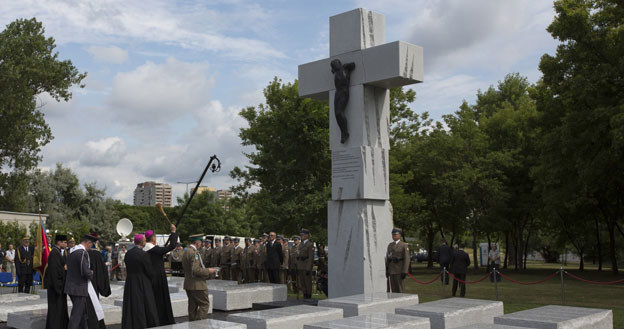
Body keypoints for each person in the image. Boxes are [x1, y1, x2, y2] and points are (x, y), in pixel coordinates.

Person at [121, 234, 159, 329]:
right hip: (142, 282)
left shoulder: (128, 253)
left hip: (130, 282)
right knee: (144, 305)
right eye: (145, 240)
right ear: (142, 242)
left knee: (131, 305)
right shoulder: (143, 254)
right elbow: (149, 270)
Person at [145, 225, 178, 326]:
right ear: (153, 238)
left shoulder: (144, 250)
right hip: (158, 279)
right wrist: (173, 232)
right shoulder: (155, 250)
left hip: (149, 278)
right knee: (160, 301)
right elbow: (172, 246)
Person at [65, 234, 99, 329]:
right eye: (91, 244)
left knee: (83, 313)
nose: (91, 247)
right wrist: (91, 273)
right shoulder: (82, 253)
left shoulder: (72, 251)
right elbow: (85, 271)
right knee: (77, 315)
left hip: (72, 286)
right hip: (79, 287)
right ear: (87, 243)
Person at [183, 234, 215, 321]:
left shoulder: (186, 251)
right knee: (204, 304)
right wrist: (209, 271)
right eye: (201, 242)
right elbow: (196, 270)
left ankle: (192, 325)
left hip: (189, 284)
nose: (202, 244)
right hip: (197, 284)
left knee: (192, 306)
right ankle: (198, 325)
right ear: (197, 242)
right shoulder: (194, 253)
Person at [87, 234, 111, 329]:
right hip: (93, 284)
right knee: (93, 307)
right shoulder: (96, 254)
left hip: (82, 285)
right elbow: (101, 272)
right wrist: (104, 287)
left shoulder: (80, 253)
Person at [45, 234, 69, 329]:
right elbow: (55, 272)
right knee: (56, 310)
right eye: (64, 242)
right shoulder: (54, 253)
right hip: (56, 288)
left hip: (58, 286)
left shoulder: (57, 252)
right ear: (59, 242)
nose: (66, 244)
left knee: (59, 310)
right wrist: (65, 269)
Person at [331, 58, 356, 143]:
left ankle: (345, 133)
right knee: (336, 114)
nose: (334, 66)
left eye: (335, 64)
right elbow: (332, 71)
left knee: (339, 112)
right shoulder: (336, 72)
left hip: (344, 92)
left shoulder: (345, 69)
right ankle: (343, 132)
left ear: (339, 64)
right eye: (333, 65)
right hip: (337, 93)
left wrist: (347, 65)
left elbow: (353, 64)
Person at [385, 228, 410, 293]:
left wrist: (404, 271)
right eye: (393, 234)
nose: (394, 236)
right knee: (393, 290)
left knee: (400, 289)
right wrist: (387, 270)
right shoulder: (390, 245)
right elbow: (388, 258)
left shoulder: (403, 245)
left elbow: (407, 259)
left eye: (396, 234)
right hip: (391, 270)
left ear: (400, 235)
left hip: (399, 270)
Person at [297, 229, 315, 299]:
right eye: (301, 235)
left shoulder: (310, 245)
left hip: (306, 266)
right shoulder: (301, 244)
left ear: (307, 235)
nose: (302, 236)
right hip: (300, 265)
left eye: (303, 235)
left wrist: (308, 268)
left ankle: (308, 295)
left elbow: (311, 258)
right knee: (302, 282)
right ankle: (304, 294)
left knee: (307, 282)